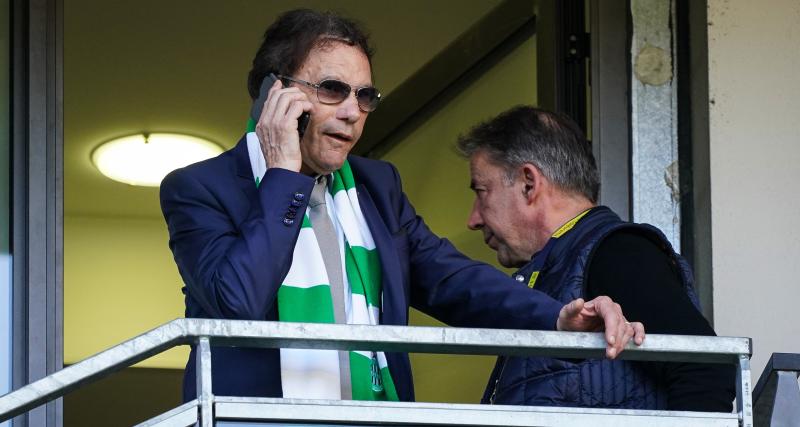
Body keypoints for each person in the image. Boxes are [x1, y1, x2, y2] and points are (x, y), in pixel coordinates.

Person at [160, 9, 642, 403]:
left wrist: (556, 318)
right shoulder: (199, 188)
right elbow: (238, 302)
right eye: (332, 89)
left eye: (364, 96)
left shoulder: (378, 186)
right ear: (275, 95)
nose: (352, 112)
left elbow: (451, 279)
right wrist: (283, 176)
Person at [457, 105, 735, 411]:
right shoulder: (564, 265)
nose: (473, 220)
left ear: (528, 183)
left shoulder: (617, 252)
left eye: (481, 191)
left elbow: (705, 368)